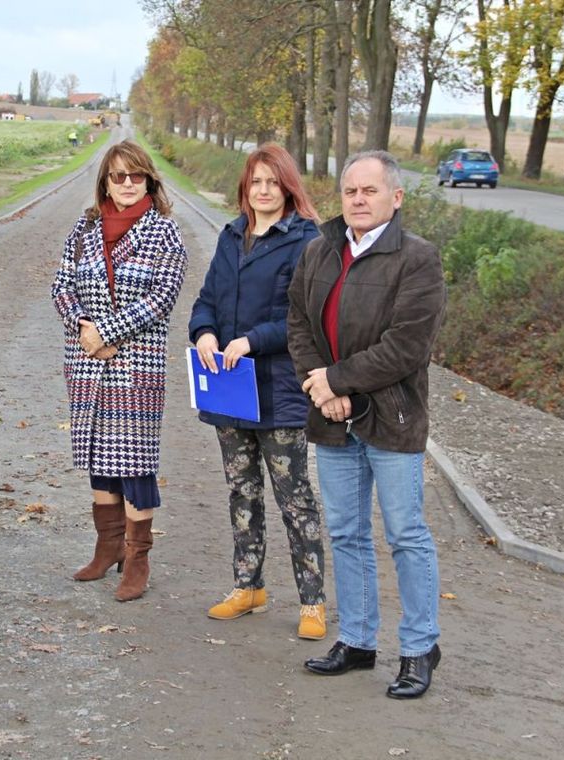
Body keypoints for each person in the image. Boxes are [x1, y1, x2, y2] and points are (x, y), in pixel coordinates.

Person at [287, 150, 447, 699]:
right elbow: (298, 324)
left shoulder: (418, 260)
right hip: (332, 418)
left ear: (395, 198)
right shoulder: (319, 250)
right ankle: (356, 640)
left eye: (370, 191)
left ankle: (421, 646)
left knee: (406, 534)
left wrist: (337, 381)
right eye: (350, 190)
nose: (358, 199)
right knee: (346, 533)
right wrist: (320, 385)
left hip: (393, 418)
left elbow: (407, 347)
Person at [188, 143, 327, 639]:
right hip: (229, 391)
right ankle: (248, 585)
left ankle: (312, 602)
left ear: (287, 187)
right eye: (255, 182)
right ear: (245, 187)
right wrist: (203, 332)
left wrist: (249, 341)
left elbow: (300, 318)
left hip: (280, 392)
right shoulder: (231, 236)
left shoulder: (306, 241)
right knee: (241, 492)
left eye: (272, 182)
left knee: (295, 499)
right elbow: (206, 299)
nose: (263, 191)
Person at [51, 140, 188, 602]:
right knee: (99, 459)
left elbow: (162, 297)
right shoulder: (84, 228)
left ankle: (137, 557)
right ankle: (106, 547)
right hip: (87, 363)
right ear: (105, 181)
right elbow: (62, 285)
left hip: (136, 364)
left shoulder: (165, 232)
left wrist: (107, 331)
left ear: (149, 179)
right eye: (117, 176)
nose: (126, 184)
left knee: (135, 464)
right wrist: (83, 329)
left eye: (135, 176)